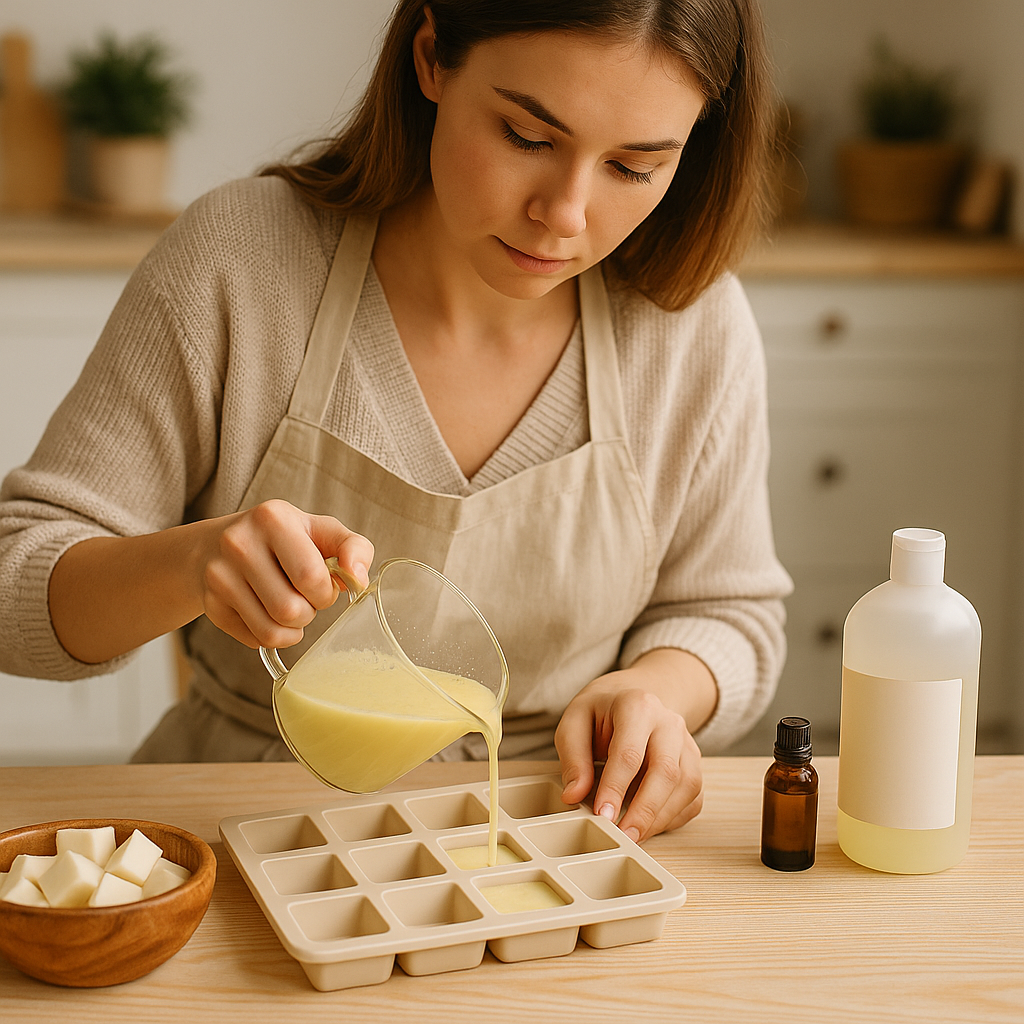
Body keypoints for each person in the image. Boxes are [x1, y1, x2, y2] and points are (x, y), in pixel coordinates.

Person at [0, 0, 791, 843]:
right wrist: (193, 564)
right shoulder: (240, 263)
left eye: (634, 167)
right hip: (234, 819)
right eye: (527, 137)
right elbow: (17, 578)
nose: (565, 213)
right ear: (430, 59)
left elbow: (729, 612)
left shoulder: (690, 324)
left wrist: (660, 691)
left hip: (552, 832)